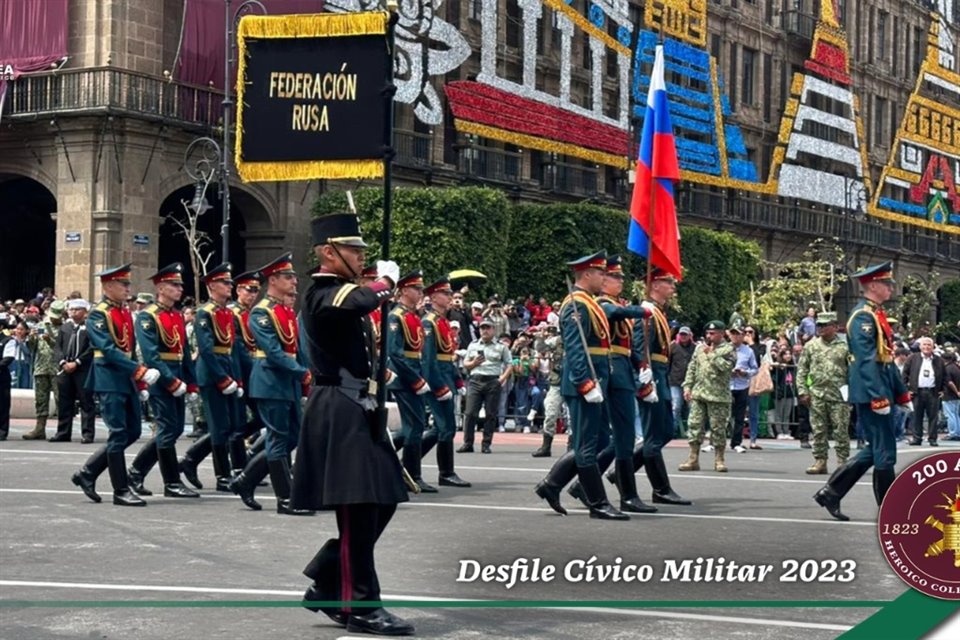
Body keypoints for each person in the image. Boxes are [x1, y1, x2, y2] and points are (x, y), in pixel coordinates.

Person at [291, 212, 413, 636]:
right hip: (337, 407)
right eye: (353, 250)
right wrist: (384, 284)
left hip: (357, 403)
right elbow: (361, 300)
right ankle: (360, 605)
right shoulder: (322, 293)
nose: (362, 257)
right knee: (359, 508)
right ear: (328, 252)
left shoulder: (345, 292)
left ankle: (327, 577)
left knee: (382, 499)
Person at [814, 262, 911, 521]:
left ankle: (831, 492)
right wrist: (879, 395)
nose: (891, 287)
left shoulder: (874, 314)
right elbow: (867, 360)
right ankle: (890, 510)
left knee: (878, 449)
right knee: (884, 452)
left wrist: (900, 393)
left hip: (880, 389)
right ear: (873, 286)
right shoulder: (863, 317)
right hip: (872, 392)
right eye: (887, 283)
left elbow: (886, 359)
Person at [535, 250, 627, 521]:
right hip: (583, 385)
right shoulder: (576, 304)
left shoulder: (589, 302)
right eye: (601, 273)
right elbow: (576, 349)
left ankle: (551, 485)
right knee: (587, 446)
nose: (604, 277)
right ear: (587, 274)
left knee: (600, 440)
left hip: (595, 381)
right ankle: (598, 503)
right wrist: (586, 383)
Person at [567, 256, 655, 513]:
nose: (615, 280)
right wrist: (642, 310)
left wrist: (641, 365)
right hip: (609, 374)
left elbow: (628, 344)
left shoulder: (600, 303)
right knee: (598, 439)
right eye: (610, 275)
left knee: (619, 437)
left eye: (614, 275)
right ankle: (589, 492)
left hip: (619, 371)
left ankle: (613, 493)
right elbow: (579, 346)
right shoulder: (599, 304)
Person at [230, 253, 314, 515]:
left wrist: (306, 374)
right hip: (269, 380)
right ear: (274, 280)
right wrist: (301, 373)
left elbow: (296, 348)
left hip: (287, 381)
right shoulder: (262, 312)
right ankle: (285, 500)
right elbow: (273, 351)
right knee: (279, 438)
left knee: (292, 436)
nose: (294, 282)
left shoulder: (285, 310)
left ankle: (245, 480)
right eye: (289, 277)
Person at [71, 265, 161, 506]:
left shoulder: (123, 311)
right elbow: (109, 350)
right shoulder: (99, 314)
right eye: (123, 284)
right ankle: (120, 490)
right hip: (109, 377)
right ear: (108, 286)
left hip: (126, 378)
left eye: (128, 284)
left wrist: (139, 381)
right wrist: (139, 371)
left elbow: (129, 350)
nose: (128, 289)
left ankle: (88, 473)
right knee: (119, 433)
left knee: (132, 431)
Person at [127, 263, 201, 499]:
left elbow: (185, 352)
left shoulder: (176, 315)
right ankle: (170, 482)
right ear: (160, 287)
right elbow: (151, 355)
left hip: (177, 375)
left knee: (174, 428)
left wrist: (190, 382)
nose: (179, 289)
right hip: (161, 380)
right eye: (173, 284)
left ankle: (136, 472)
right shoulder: (148, 316)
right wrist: (171, 381)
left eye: (180, 284)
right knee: (168, 430)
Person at [178, 263, 248, 492]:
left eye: (230, 282)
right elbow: (207, 350)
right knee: (220, 427)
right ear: (212, 286)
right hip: (212, 375)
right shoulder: (204, 313)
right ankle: (222, 476)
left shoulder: (228, 312)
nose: (230, 286)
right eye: (225, 283)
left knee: (231, 426)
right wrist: (222, 379)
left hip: (227, 371)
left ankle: (191, 460)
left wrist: (236, 379)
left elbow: (234, 349)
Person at [386, 270, 436, 492]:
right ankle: (411, 474)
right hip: (405, 378)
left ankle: (402, 470)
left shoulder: (412, 316)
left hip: (413, 374)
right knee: (414, 427)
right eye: (416, 289)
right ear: (404, 290)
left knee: (414, 427)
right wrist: (415, 379)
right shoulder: (395, 317)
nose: (420, 293)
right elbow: (395, 354)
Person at [420, 276, 471, 488]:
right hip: (437, 380)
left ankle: (408, 464)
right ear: (433, 297)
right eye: (446, 294)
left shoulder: (442, 321)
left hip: (446, 376)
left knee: (446, 426)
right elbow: (429, 360)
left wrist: (457, 380)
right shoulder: (429, 322)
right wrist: (439, 386)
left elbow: (447, 355)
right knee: (444, 426)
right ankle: (445, 472)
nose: (450, 297)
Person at [797, 312, 850, 475]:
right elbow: (802, 370)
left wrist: (852, 393)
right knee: (818, 430)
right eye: (818, 325)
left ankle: (842, 462)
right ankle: (820, 461)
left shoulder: (844, 347)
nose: (820, 328)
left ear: (834, 327)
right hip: (817, 394)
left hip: (839, 396)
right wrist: (802, 391)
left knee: (840, 429)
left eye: (824, 325)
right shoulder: (811, 346)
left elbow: (852, 371)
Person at [679, 320, 736, 473]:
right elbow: (692, 368)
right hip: (699, 393)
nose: (709, 336)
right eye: (707, 333)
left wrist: (711, 354)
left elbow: (726, 367)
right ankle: (693, 459)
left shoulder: (728, 349)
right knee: (694, 426)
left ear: (722, 333)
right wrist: (687, 386)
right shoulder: (699, 348)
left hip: (718, 396)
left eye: (713, 333)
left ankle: (719, 459)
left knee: (718, 429)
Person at [458, 318, 512, 453]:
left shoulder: (501, 346)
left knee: (490, 414)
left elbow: (509, 364)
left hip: (492, 381)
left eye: (488, 328)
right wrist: (474, 363)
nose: (485, 331)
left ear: (493, 330)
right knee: (470, 413)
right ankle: (468, 443)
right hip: (475, 380)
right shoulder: (473, 345)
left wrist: (502, 379)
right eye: (482, 328)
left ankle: (486, 443)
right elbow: (466, 364)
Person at [49, 300, 95, 443]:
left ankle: (87, 433)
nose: (73, 312)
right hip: (65, 368)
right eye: (71, 309)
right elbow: (57, 347)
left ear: (85, 311)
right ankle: (63, 432)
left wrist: (77, 362)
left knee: (86, 401)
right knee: (64, 401)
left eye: (77, 309)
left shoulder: (90, 327)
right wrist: (62, 362)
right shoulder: (65, 327)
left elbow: (92, 347)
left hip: (82, 368)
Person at [20, 301, 64, 440]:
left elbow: (62, 348)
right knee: (40, 399)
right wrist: (31, 338)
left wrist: (49, 339)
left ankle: (63, 429)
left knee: (60, 399)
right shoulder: (41, 326)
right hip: (41, 367)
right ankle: (40, 428)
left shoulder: (64, 328)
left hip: (57, 368)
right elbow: (32, 347)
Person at [903, 336, 946, 446]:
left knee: (933, 417)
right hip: (917, 392)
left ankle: (932, 439)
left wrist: (943, 390)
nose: (926, 347)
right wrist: (906, 389)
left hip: (933, 392)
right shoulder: (913, 358)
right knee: (917, 416)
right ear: (920, 346)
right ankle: (917, 438)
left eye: (929, 345)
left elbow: (945, 377)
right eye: (924, 345)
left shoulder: (939, 360)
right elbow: (904, 374)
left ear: (932, 347)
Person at [531, 324, 564, 457]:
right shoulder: (556, 340)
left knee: (573, 418)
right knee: (550, 412)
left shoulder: (580, 340)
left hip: (575, 382)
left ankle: (572, 446)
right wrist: (540, 337)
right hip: (557, 381)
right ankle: (546, 446)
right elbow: (540, 348)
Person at [727, 325, 758, 454]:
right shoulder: (723, 349)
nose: (735, 336)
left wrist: (745, 373)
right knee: (721, 416)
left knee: (739, 416)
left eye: (738, 334)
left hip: (741, 385)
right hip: (726, 385)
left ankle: (736, 443)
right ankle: (715, 442)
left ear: (743, 336)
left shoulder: (748, 351)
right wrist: (728, 371)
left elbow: (755, 369)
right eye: (733, 334)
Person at [668, 326, 695, 438]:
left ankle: (692, 431)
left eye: (685, 335)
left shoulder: (695, 348)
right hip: (675, 381)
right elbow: (667, 364)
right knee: (675, 406)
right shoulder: (672, 347)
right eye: (681, 334)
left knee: (692, 407)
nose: (683, 337)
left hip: (691, 382)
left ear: (690, 336)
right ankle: (672, 431)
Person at [942, 351, 960, 440]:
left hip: (949, 394)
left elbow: (949, 382)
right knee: (956, 414)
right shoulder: (957, 367)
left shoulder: (947, 369)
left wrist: (956, 391)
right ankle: (957, 432)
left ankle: (952, 433)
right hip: (956, 395)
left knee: (950, 414)